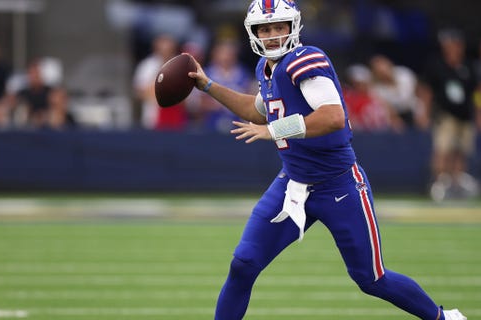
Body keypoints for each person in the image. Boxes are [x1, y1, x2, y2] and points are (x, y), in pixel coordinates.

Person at [185, 1, 466, 319]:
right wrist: (207, 86)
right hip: (293, 183)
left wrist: (274, 130)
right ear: (254, 32)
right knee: (243, 264)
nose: (274, 35)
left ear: (293, 27)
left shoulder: (306, 59)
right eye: (266, 28)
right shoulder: (266, 67)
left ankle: (444, 317)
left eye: (280, 27)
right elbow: (258, 110)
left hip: (339, 186)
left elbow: (332, 116)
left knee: (372, 279)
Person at [422, 28, 480, 202]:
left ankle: (456, 185)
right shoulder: (437, 65)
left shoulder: (468, 66)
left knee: (461, 150)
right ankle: (439, 184)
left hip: (466, 115)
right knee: (443, 150)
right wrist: (424, 113)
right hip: (445, 114)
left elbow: (477, 92)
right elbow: (427, 90)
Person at [198, 39, 255, 133]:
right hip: (211, 124)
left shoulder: (243, 73)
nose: (226, 57)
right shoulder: (206, 73)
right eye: (222, 53)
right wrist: (218, 104)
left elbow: (250, 99)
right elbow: (200, 103)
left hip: (237, 124)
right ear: (215, 55)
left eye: (229, 53)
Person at [369, 54, 431, 131]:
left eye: (385, 68)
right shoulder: (376, 89)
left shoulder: (405, 74)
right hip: (397, 114)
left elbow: (423, 92)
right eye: (380, 71)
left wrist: (424, 114)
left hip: (415, 109)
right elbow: (386, 108)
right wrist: (394, 120)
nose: (384, 73)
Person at [343, 64, 402, 132]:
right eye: (357, 83)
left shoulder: (375, 96)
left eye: (363, 83)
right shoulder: (347, 99)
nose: (361, 86)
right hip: (362, 134)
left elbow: (392, 116)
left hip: (383, 133)